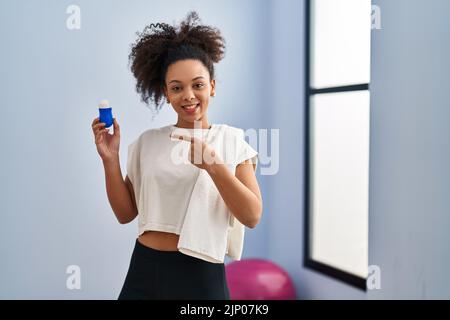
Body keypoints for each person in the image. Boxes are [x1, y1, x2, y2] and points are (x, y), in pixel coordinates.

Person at [91, 11, 262, 300]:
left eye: (198, 84)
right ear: (165, 93)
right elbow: (125, 214)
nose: (189, 95)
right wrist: (110, 160)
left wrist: (214, 166)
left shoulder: (230, 140)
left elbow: (252, 215)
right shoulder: (148, 142)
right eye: (176, 88)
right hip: (145, 269)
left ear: (213, 86)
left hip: (201, 275)